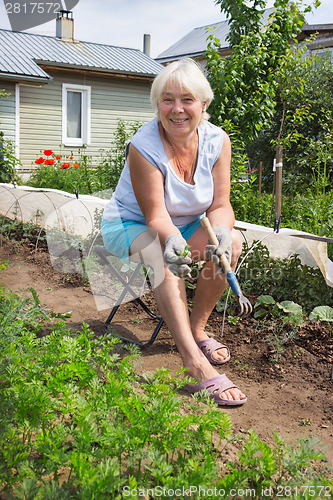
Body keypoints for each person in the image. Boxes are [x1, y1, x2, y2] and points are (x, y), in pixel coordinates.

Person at [101, 58, 247, 406]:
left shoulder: (217, 141)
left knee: (233, 242)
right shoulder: (143, 146)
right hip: (131, 224)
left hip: (185, 222)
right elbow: (155, 216)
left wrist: (222, 232)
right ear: (157, 104)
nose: (177, 109)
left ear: (204, 104)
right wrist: (174, 242)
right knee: (161, 252)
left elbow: (221, 205)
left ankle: (196, 329)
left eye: (187, 99)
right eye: (167, 99)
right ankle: (193, 362)